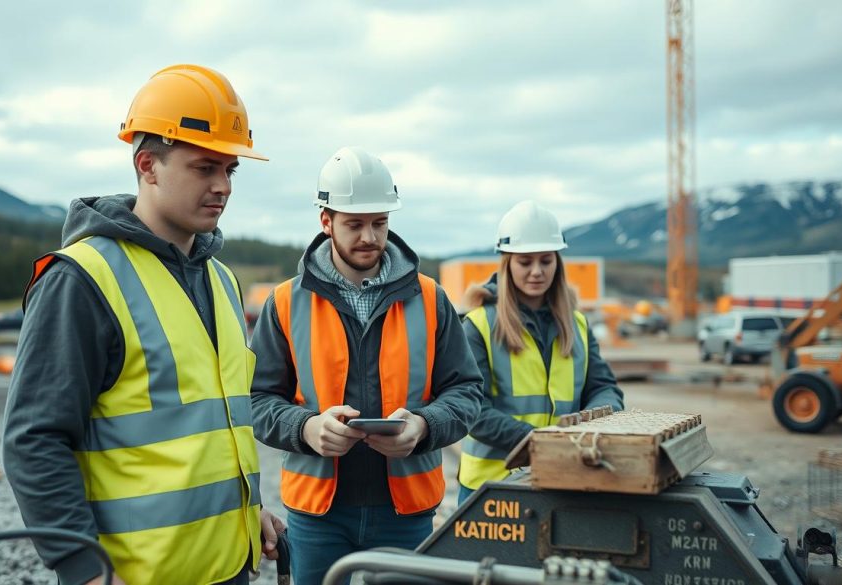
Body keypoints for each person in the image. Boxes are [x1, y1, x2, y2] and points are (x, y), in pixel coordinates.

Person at [2, 64, 284, 585]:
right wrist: (83, 568)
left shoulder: (221, 280)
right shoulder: (83, 280)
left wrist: (248, 513)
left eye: (230, 170)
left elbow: (212, 427)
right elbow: (34, 438)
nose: (222, 186)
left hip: (228, 566)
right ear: (148, 164)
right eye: (204, 168)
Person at [249, 147, 483, 585]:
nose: (370, 238)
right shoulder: (285, 302)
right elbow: (257, 400)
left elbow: (467, 392)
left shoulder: (430, 299)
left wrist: (424, 427)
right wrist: (306, 428)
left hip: (406, 512)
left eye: (379, 223)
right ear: (326, 221)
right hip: (316, 514)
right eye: (354, 225)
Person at [457, 201, 624, 505]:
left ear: (557, 263)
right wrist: (540, 442)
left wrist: (598, 418)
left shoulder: (577, 324)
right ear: (507, 264)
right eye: (525, 262)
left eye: (546, 261)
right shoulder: (479, 325)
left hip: (566, 478)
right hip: (493, 486)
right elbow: (472, 410)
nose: (537, 271)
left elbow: (603, 388)